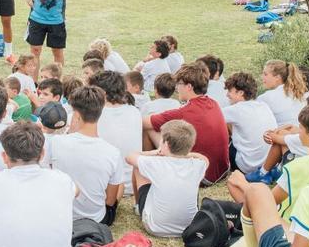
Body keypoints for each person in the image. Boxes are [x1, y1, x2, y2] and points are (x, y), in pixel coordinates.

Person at [172, 103, 309, 247]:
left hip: (290, 229)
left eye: (301, 130)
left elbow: (269, 200)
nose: (298, 133)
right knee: (242, 189)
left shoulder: (300, 167)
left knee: (241, 185)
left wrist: (245, 185)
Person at [44, 86, 123, 224]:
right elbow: (110, 201)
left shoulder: (55, 142)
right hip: (97, 220)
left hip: (61, 215)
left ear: (76, 115)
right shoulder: (113, 153)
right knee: (119, 182)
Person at [143, 63, 230, 184]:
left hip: (203, 175)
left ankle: (150, 169)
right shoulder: (213, 103)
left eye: (179, 84)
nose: (177, 88)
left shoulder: (184, 111)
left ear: (189, 86)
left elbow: (144, 123)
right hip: (222, 169)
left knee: (150, 129)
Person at [127, 120, 209, 237]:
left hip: (155, 227)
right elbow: (204, 158)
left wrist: (155, 152)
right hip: (188, 226)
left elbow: (130, 157)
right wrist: (188, 154)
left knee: (138, 168)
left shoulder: (155, 163)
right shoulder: (197, 165)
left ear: (166, 144)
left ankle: (138, 206)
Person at [92, 70, 145, 195]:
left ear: (102, 93)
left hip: (107, 185)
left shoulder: (94, 114)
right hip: (132, 182)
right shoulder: (134, 111)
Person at [221, 71, 276, 175]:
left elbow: (211, 117)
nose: (227, 95)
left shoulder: (236, 110)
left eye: (230, 91)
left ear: (241, 93)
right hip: (268, 163)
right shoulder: (263, 105)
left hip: (246, 166)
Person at [257, 60, 307, 128]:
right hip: (300, 135)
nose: (262, 77)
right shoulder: (298, 94)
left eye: (265, 74)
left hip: (280, 136)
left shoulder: (266, 98)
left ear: (277, 77)